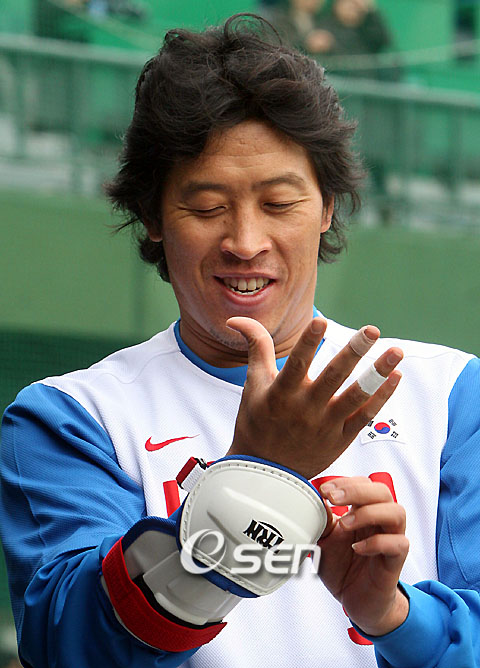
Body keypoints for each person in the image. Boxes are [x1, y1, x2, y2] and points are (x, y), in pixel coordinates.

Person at [1, 13, 480, 668]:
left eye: (279, 203)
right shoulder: (71, 417)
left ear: (328, 206)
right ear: (152, 215)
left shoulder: (451, 395)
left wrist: (395, 617)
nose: (246, 242)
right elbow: (73, 647)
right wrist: (259, 479)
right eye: (206, 207)